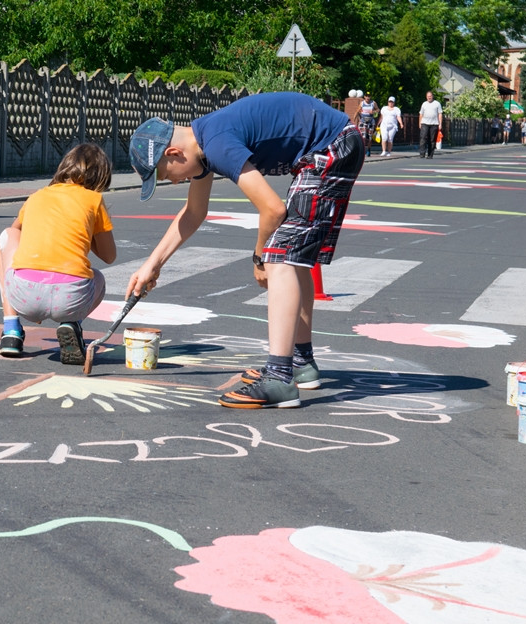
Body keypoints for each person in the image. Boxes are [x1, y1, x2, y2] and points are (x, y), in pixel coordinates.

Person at [126, 92, 364, 409]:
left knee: (279, 256)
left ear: (173, 153)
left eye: (166, 174)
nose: (172, 181)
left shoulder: (217, 144)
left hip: (332, 146)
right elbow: (193, 213)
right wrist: (152, 265)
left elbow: (272, 209)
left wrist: (259, 257)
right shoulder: (205, 144)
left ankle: (280, 377)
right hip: (329, 145)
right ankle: (300, 363)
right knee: (292, 258)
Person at [0, 143, 117, 364]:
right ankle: (72, 324)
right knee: (98, 277)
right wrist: (90, 229)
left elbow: (15, 231)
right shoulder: (94, 200)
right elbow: (109, 256)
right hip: (71, 300)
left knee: (6, 235)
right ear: (101, 177)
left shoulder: (37, 196)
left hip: (26, 296)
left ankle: (11, 332)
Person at [418, 91, 443, 159]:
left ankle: (430, 154)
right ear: (426, 97)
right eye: (428, 96)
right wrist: (420, 123)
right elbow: (421, 114)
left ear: (432, 96)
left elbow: (440, 114)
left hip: (434, 124)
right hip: (424, 123)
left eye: (430, 96)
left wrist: (440, 124)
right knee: (423, 138)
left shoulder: (437, 104)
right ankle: (422, 153)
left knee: (432, 140)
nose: (429, 97)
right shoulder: (424, 104)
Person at [355, 92, 378, 157]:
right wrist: (354, 119)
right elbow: (357, 110)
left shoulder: (373, 103)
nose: (368, 97)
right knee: (363, 137)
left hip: (370, 121)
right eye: (366, 96)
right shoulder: (362, 103)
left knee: (370, 137)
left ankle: (369, 149)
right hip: (363, 121)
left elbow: (378, 110)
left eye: (369, 96)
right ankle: (363, 150)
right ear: (364, 97)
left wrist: (373, 111)